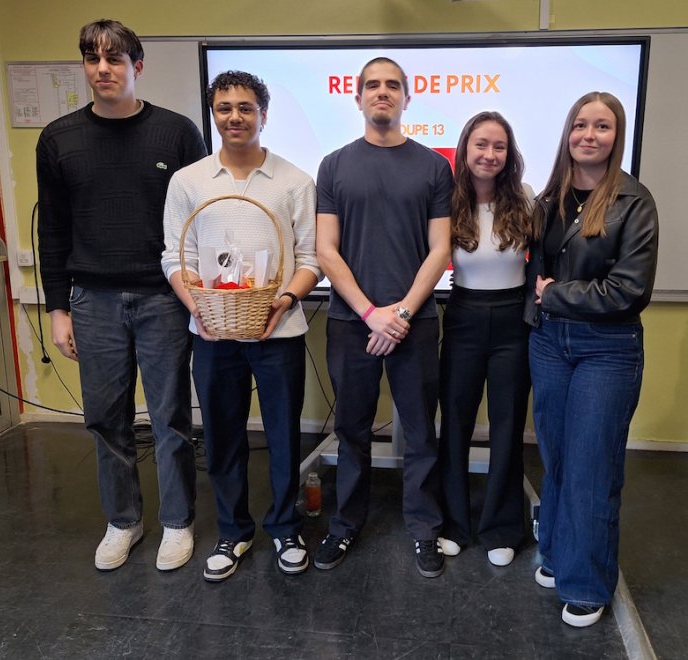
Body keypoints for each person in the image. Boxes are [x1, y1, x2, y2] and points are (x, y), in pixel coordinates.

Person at [37, 19, 207, 572]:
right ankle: (124, 521)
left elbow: (199, 222)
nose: (103, 69)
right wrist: (57, 309)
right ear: (84, 66)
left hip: (163, 298)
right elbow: (52, 231)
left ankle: (177, 522)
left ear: (137, 67)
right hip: (93, 301)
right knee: (106, 420)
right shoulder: (58, 139)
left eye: (114, 59)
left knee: (170, 417)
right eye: (93, 58)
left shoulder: (177, 133)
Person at [161, 71, 320, 581]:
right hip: (212, 332)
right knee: (223, 434)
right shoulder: (188, 181)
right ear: (214, 114)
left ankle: (286, 527)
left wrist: (286, 298)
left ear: (263, 115)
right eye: (225, 108)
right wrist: (198, 307)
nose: (235, 117)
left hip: (279, 330)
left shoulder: (295, 181)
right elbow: (176, 257)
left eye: (246, 108)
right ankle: (233, 531)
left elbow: (311, 258)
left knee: (283, 434)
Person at [314, 57, 453, 578]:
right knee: (351, 430)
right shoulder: (334, 165)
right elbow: (326, 250)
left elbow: (440, 250)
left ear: (406, 98)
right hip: (353, 323)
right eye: (372, 85)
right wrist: (372, 313)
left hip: (415, 322)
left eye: (392, 85)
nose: (382, 92)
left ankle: (424, 529)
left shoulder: (434, 167)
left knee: (420, 432)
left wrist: (400, 313)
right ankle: (345, 524)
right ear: (357, 98)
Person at [524, 91, 658, 627]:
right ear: (568, 132)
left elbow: (629, 290)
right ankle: (558, 555)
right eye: (581, 124)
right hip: (548, 343)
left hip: (607, 348)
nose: (589, 135)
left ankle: (586, 583)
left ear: (616, 136)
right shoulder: (549, 198)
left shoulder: (634, 201)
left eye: (602, 126)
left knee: (592, 467)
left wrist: (555, 295)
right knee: (557, 458)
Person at [438, 112, 533, 567]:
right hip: (464, 317)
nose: (489, 154)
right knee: (455, 422)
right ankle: (453, 523)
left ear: (509, 154)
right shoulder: (447, 202)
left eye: (499, 146)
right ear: (465, 149)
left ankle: (502, 527)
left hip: (514, 321)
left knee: (508, 425)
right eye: (481, 144)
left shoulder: (525, 198)